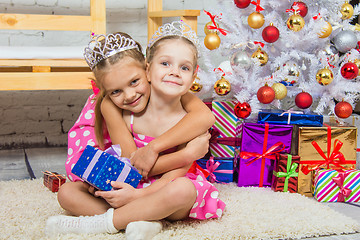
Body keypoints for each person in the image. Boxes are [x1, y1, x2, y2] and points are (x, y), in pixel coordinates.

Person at [46, 21, 225, 239]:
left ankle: (103, 223)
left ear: (144, 70)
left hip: (164, 186)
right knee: (67, 192)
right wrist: (187, 154)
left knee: (183, 190)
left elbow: (176, 174)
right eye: (116, 91)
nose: (129, 95)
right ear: (150, 68)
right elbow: (133, 162)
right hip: (131, 179)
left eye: (133, 82)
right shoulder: (114, 107)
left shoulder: (188, 114)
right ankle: (150, 220)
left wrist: (140, 194)